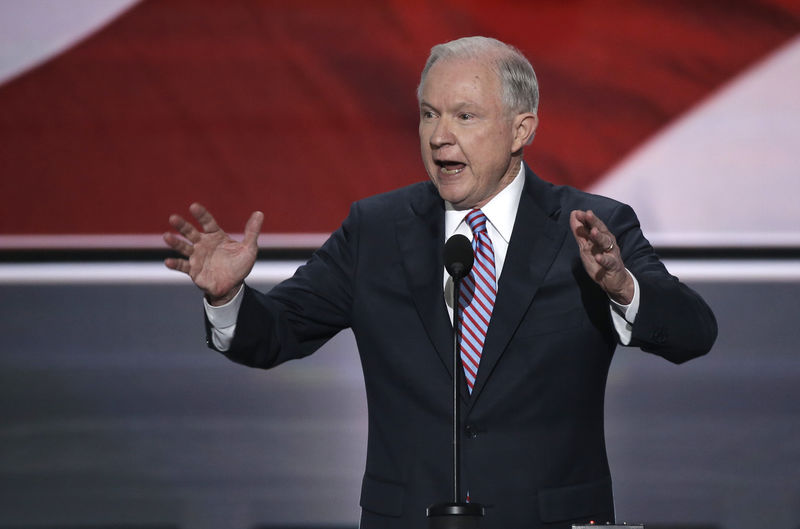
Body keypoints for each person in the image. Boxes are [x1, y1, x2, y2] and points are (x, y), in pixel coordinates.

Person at [163, 36, 717, 529]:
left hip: (552, 518)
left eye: (465, 116)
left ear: (521, 128)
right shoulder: (375, 230)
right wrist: (228, 296)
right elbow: (276, 332)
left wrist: (623, 287)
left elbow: (694, 333)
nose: (439, 136)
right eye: (429, 115)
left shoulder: (592, 229)